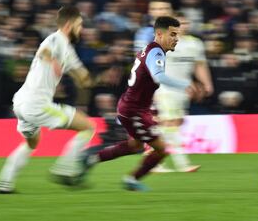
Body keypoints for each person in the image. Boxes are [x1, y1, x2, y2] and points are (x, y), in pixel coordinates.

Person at [78, 16, 199, 191]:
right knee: (162, 149)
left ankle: (90, 160)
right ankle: (132, 179)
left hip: (133, 107)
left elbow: (146, 82)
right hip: (135, 110)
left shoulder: (149, 50)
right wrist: (185, 84)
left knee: (134, 146)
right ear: (159, 33)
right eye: (172, 34)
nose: (176, 38)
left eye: (177, 34)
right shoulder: (156, 52)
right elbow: (159, 77)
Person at [0, 6, 98, 193]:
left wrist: (96, 79)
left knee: (32, 143)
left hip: (22, 103)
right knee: (88, 127)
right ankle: (64, 169)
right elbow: (44, 52)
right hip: (36, 104)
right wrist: (54, 62)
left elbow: (82, 77)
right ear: (69, 24)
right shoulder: (55, 39)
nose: (82, 29)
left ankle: (4, 183)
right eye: (79, 25)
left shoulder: (68, 49)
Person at [152, 13, 213, 173]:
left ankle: (152, 157)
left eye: (185, 23)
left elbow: (200, 65)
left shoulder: (195, 44)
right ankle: (182, 164)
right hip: (164, 88)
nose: (183, 26)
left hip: (183, 91)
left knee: (173, 124)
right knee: (170, 124)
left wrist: (207, 83)